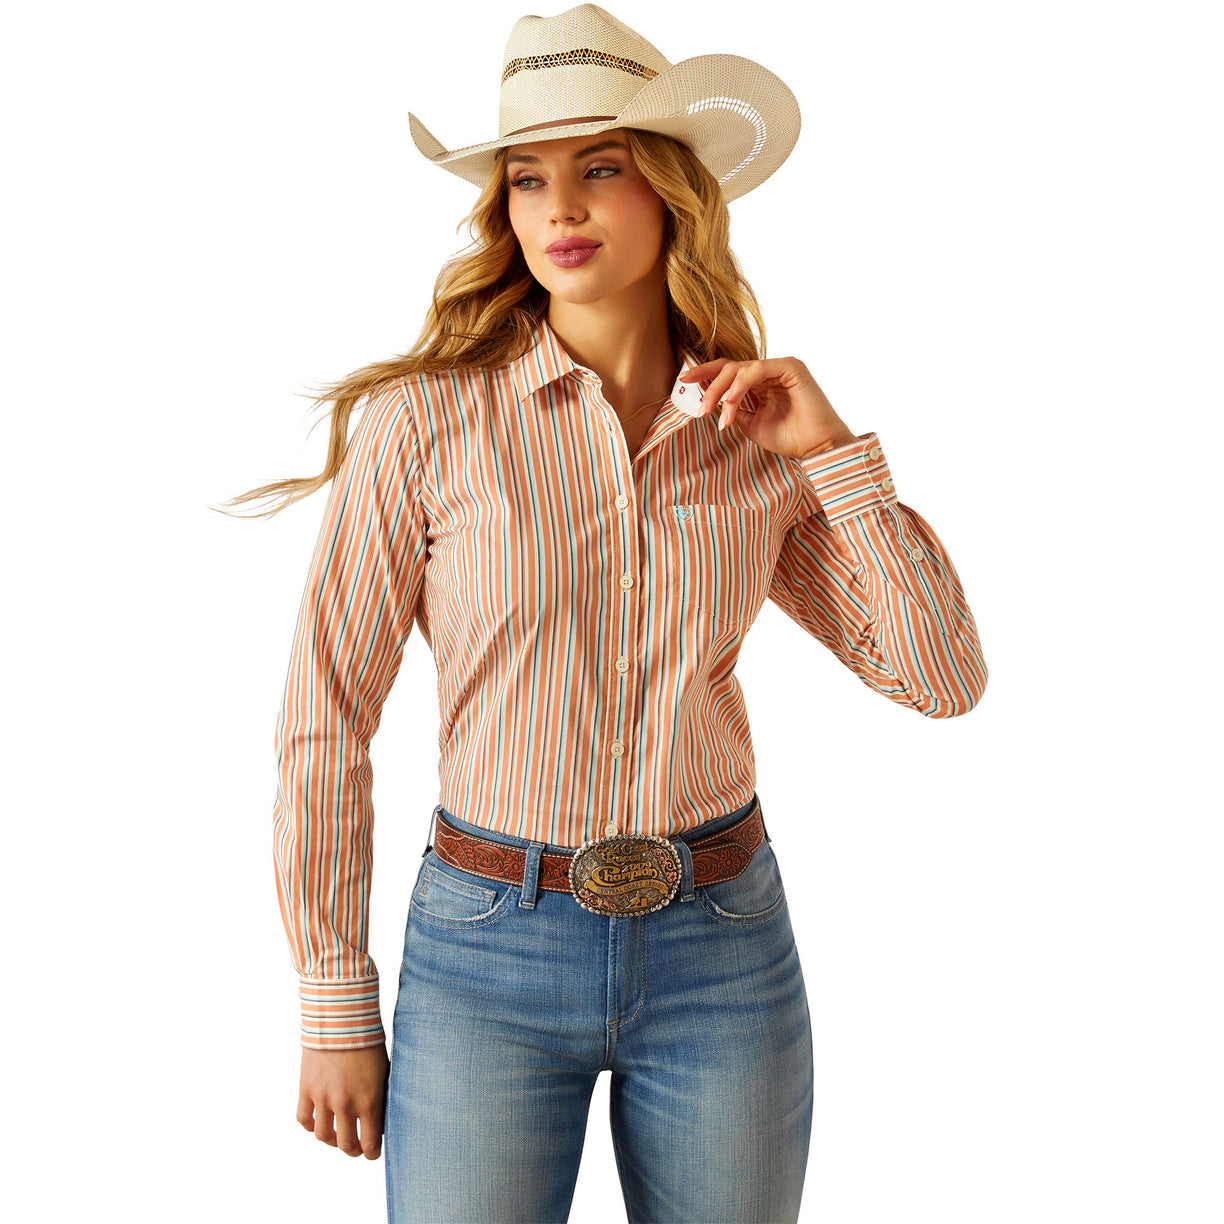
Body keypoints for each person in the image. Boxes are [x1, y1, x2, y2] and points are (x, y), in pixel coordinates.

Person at [225, 5, 988, 1221]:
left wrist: (836, 455)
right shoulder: (424, 426)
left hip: (722, 945)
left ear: (672, 195)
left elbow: (941, 679)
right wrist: (332, 1000)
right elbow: (324, 719)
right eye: (529, 179)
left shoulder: (760, 437)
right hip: (484, 950)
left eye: (601, 170)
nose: (560, 208)